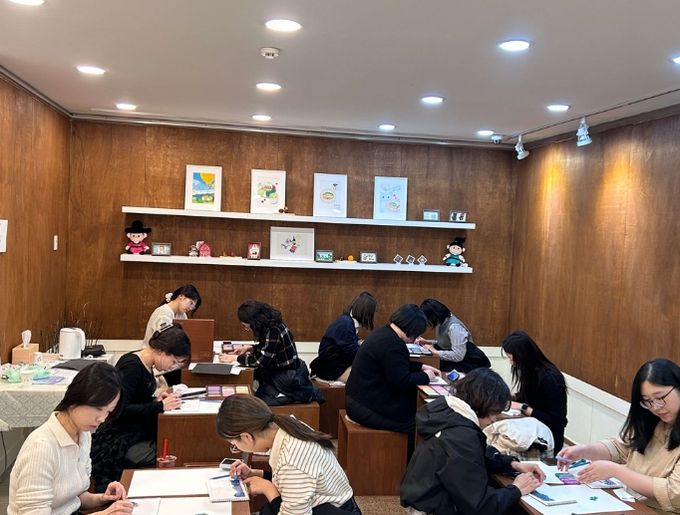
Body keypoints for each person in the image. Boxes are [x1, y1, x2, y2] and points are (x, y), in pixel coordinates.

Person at [400, 368, 544, 515]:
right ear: (485, 404)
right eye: (495, 412)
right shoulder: (461, 437)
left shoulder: (450, 416)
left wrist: (512, 464)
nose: (495, 418)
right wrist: (517, 488)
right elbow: (480, 506)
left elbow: (475, 455)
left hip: (428, 499)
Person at [9, 362, 134, 515]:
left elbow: (74, 498)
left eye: (108, 411)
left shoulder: (83, 435)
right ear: (76, 399)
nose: (102, 419)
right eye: (98, 408)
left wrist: (103, 499)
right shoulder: (41, 447)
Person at [558, 358, 680, 513]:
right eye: (647, 401)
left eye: (660, 397)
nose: (656, 407)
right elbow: (619, 447)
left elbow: (673, 493)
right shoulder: (651, 419)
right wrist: (584, 450)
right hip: (634, 504)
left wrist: (616, 471)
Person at [217, 394, 361, 515]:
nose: (236, 448)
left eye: (234, 445)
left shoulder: (292, 459)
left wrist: (268, 489)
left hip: (335, 510)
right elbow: (292, 481)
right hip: (326, 503)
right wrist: (256, 473)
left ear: (247, 437)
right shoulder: (286, 425)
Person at [91, 324, 191, 491]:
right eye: (173, 362)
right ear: (162, 351)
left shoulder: (146, 364)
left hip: (133, 428)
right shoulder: (131, 367)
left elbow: (137, 398)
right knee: (170, 449)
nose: (171, 367)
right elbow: (120, 410)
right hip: (118, 436)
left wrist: (155, 400)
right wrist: (159, 406)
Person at [345, 304, 441, 435]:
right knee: (419, 423)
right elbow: (402, 380)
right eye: (417, 335)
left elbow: (394, 365)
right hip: (366, 408)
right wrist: (427, 376)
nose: (415, 339)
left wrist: (421, 367)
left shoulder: (385, 333)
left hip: (357, 400)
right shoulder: (393, 344)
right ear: (411, 330)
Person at [220, 300, 323, 406]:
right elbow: (270, 348)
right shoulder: (274, 324)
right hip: (286, 370)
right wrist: (250, 348)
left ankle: (288, 396)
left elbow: (261, 361)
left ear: (254, 322)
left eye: (246, 326)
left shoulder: (273, 331)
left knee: (259, 403)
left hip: (286, 376)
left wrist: (236, 358)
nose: (246, 329)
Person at [501, 330, 567, 455]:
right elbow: (528, 396)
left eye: (510, 357)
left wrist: (523, 407)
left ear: (522, 356)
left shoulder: (550, 379)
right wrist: (511, 397)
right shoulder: (530, 372)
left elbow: (555, 420)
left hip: (549, 437)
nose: (510, 362)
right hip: (534, 428)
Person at [310, 291, 378, 382]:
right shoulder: (346, 324)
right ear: (366, 313)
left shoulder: (347, 321)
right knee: (368, 377)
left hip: (333, 364)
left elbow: (349, 345)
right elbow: (352, 351)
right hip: (331, 368)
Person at [417, 298, 490, 373]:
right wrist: (427, 342)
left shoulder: (454, 327)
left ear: (433, 316)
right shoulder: (440, 323)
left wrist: (436, 352)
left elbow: (458, 355)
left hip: (470, 362)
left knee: (434, 367)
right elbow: (446, 342)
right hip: (459, 360)